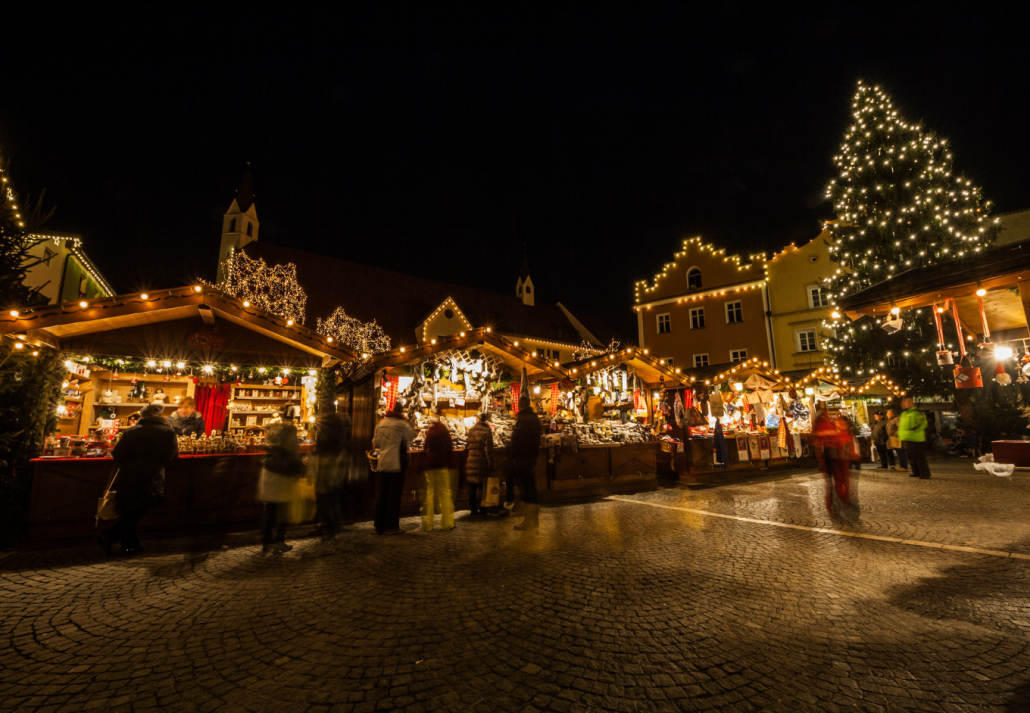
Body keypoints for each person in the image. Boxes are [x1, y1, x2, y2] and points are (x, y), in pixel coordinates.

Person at [97, 403, 178, 556]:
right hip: (153, 475)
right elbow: (172, 456)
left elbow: (118, 455)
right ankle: (127, 544)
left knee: (131, 509)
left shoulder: (131, 431)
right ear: (159, 416)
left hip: (130, 474)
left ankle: (118, 539)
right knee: (144, 505)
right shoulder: (168, 432)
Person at [257, 407, 305, 553]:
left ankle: (266, 541)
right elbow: (292, 453)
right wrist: (300, 468)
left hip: (268, 472)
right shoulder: (290, 431)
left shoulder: (271, 428)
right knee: (281, 511)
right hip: (281, 475)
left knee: (269, 509)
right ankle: (279, 541)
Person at [372, 400, 414, 535]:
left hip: (383, 462)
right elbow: (410, 437)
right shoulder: (402, 424)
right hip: (396, 463)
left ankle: (379, 525)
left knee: (382, 494)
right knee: (394, 495)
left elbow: (376, 442)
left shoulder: (381, 424)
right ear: (400, 413)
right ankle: (391, 526)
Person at [313, 401, 351, 540]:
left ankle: (329, 528)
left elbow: (323, 445)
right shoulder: (340, 422)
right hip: (337, 463)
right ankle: (335, 524)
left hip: (327, 463)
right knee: (334, 495)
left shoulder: (327, 424)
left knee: (324, 497)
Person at [509, 397, 542, 531]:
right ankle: (534, 520)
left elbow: (517, 439)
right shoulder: (534, 419)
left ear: (523, 405)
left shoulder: (523, 419)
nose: (520, 406)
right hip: (531, 457)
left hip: (523, 458)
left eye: (521, 404)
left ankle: (528, 520)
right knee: (532, 488)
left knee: (526, 489)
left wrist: (513, 452)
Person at [421, 418, 455, 531]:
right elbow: (450, 447)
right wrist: (448, 460)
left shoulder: (430, 430)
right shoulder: (444, 430)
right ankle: (447, 523)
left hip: (429, 463)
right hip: (441, 463)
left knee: (429, 492)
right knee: (445, 492)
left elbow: (425, 446)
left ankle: (428, 524)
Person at [465, 412, 495, 517]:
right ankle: (482, 509)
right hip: (482, 463)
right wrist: (491, 465)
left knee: (472, 487)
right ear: (486, 420)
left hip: (471, 462)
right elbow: (489, 451)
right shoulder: (487, 431)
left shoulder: (471, 430)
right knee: (482, 487)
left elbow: (467, 445)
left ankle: (473, 510)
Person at [898, 398, 931, 480]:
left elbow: (922, 424)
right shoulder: (903, 414)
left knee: (919, 457)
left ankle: (925, 473)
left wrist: (913, 430)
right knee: (910, 456)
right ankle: (915, 472)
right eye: (904, 402)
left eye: (907, 402)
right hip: (906, 438)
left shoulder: (917, 413)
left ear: (913, 404)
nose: (905, 404)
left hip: (916, 438)